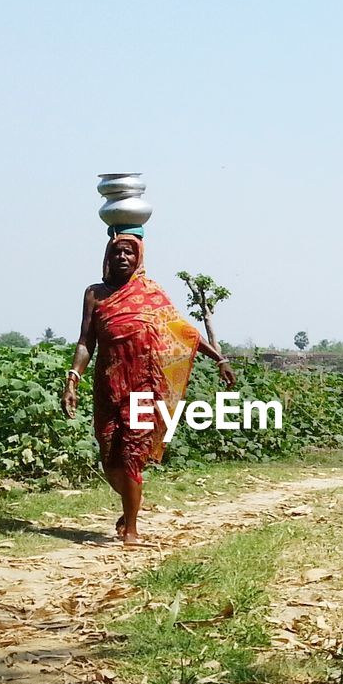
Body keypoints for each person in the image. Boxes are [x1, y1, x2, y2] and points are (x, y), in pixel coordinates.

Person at [62, 226, 235, 544]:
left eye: (129, 251)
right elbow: (86, 342)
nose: (123, 256)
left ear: (139, 257)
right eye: (117, 252)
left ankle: (131, 528)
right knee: (110, 459)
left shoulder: (152, 293)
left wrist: (220, 359)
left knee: (131, 455)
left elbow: (186, 332)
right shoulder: (95, 294)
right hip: (108, 385)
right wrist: (72, 379)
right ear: (107, 257)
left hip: (144, 387)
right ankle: (132, 504)